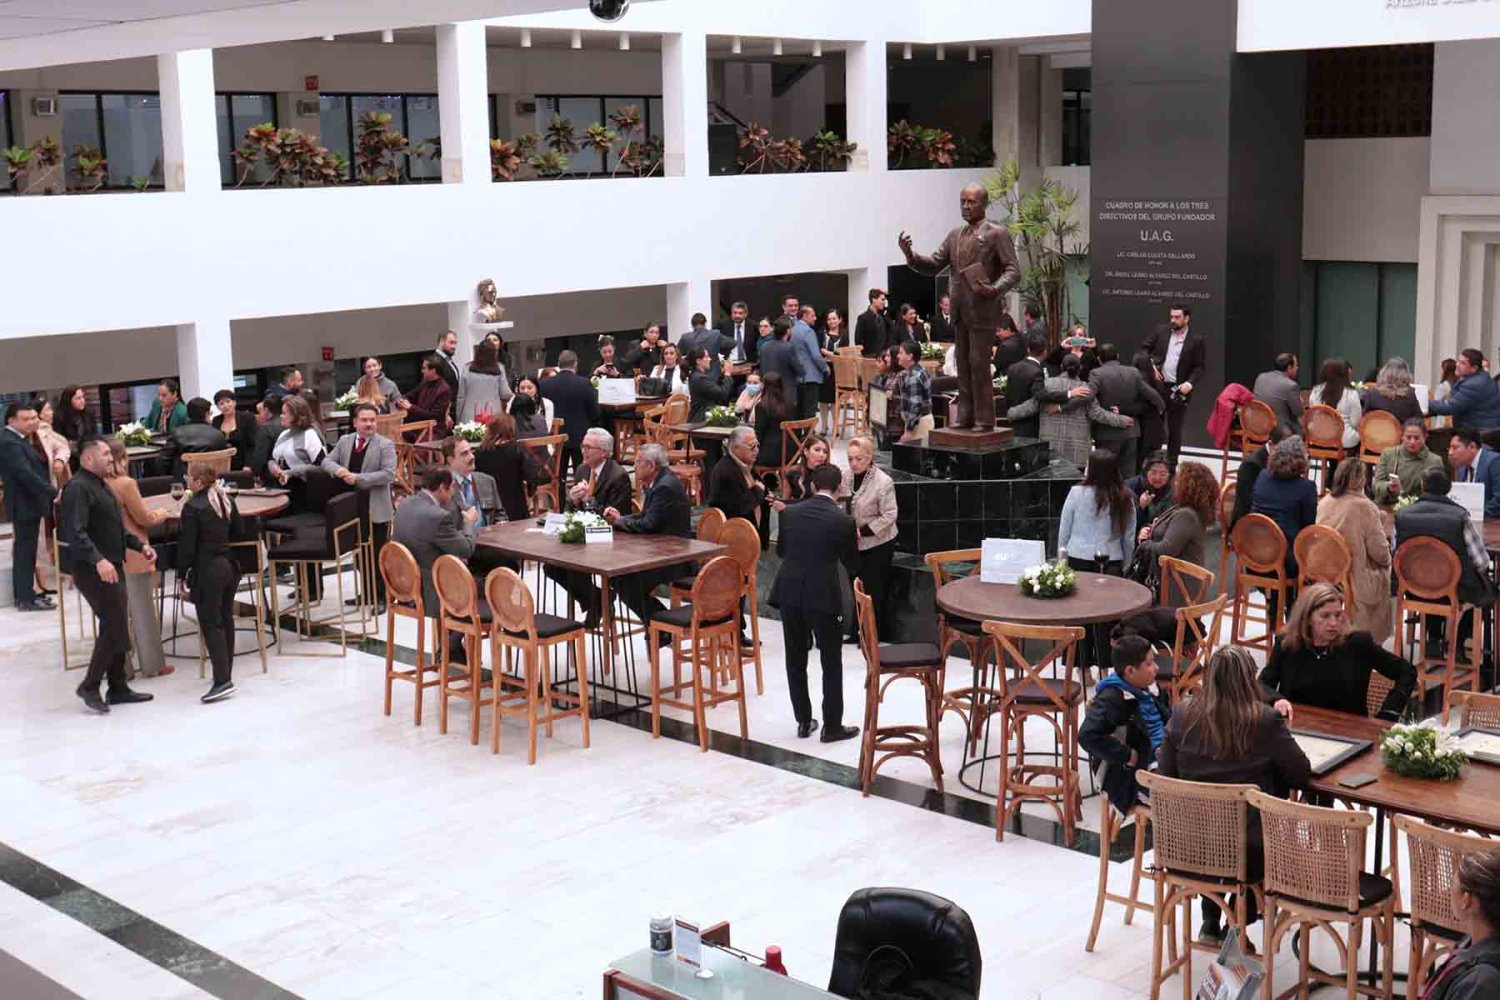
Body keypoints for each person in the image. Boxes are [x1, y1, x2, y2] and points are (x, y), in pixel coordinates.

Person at [1158, 646, 1311, 943]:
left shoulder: (1182, 714)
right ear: (1249, 680)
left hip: (1186, 845)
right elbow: (1300, 772)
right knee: (1267, 846)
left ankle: (1211, 920)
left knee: (1215, 829)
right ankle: (1237, 925)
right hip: (1249, 850)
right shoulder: (1264, 720)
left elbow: (1166, 774)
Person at [900, 183, 1022, 432]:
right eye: (962, 202)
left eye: (971, 202)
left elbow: (1013, 270)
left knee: (978, 364)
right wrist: (910, 255)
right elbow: (934, 263)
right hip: (960, 310)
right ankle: (965, 415)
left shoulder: (996, 234)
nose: (965, 206)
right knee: (963, 365)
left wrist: (995, 289)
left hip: (983, 309)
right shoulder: (955, 235)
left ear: (984, 204)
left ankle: (984, 419)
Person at [60, 436, 158, 714]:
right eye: (104, 454)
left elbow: (114, 527)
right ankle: (90, 685)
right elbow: (75, 532)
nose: (110, 458)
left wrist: (140, 546)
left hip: (113, 564)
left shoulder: (102, 484)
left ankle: (118, 687)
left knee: (116, 624)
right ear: (88, 459)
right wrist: (99, 560)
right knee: (114, 624)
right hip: (94, 569)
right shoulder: (77, 488)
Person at [771, 462, 859, 743]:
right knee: (831, 661)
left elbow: (781, 551)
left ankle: (803, 720)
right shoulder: (844, 521)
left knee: (795, 658)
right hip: (824, 595)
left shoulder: (790, 513)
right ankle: (832, 726)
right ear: (840, 488)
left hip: (790, 591)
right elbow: (851, 562)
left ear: (811, 486)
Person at [1259, 583, 1414, 720]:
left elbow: (1407, 672)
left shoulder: (1357, 644)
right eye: (1325, 616)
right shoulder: (1287, 644)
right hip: (1297, 728)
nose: (1333, 623)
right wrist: (1276, 699)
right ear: (1307, 618)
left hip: (1348, 732)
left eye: (1338, 615)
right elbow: (1262, 684)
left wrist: (1387, 715)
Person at [1395, 467, 1497, 658]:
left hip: (1414, 588)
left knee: (1431, 578)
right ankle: (1457, 644)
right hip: (1453, 591)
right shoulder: (1460, 517)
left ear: (1422, 486)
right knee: (1476, 586)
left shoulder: (1402, 515)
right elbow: (1481, 562)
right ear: (1449, 488)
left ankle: (1433, 639)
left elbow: (1397, 554)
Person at [601, 443, 693, 636]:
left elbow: (649, 524)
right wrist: (622, 518)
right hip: (659, 550)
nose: (634, 466)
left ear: (651, 466)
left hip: (674, 556)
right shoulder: (660, 481)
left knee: (626, 581)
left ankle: (661, 627)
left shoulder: (664, 486)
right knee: (621, 578)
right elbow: (647, 516)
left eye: (638, 461)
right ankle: (658, 626)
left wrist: (619, 523)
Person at [1058, 449, 1137, 671]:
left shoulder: (1076, 493)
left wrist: (1061, 561)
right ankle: (1105, 667)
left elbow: (1064, 530)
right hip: (1111, 561)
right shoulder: (1125, 496)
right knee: (1107, 618)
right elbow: (1129, 536)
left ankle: (1081, 667)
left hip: (1078, 558)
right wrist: (1126, 564)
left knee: (1079, 614)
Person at [175, 462, 244, 703]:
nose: (186, 480)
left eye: (188, 477)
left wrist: (181, 574)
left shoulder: (193, 507)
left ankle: (222, 681)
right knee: (225, 618)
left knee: (211, 623)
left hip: (208, 570)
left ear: (197, 482)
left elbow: (187, 546)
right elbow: (239, 530)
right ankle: (225, 671)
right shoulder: (225, 500)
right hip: (229, 566)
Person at [1079, 635, 1171, 814]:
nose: (1157, 668)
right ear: (1130, 670)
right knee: (1188, 800)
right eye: (1149, 664)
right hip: (1135, 777)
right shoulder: (1112, 699)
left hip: (1163, 757)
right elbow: (1087, 735)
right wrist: (1127, 755)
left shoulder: (1146, 686)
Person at [104, 438, 172, 679]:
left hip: (107, 553)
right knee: (142, 610)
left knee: (117, 613)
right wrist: (162, 513)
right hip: (133, 552)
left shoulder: (95, 484)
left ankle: (122, 668)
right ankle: (153, 664)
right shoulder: (125, 484)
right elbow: (144, 517)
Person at [322, 403, 397, 611]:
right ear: (355, 422)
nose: (369, 424)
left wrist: (358, 478)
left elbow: (388, 474)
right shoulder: (345, 441)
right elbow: (326, 461)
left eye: (372, 420)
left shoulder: (385, 445)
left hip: (376, 508)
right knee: (359, 553)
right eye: (364, 420)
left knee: (377, 554)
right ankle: (366, 593)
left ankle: (381, 597)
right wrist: (338, 471)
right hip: (352, 507)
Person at [390, 468, 475, 652]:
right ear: (442, 487)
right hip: (429, 591)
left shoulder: (405, 504)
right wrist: (468, 521)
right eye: (451, 488)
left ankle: (451, 645)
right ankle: (452, 645)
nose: (453, 492)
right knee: (482, 585)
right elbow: (466, 549)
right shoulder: (437, 516)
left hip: (403, 586)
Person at [1009, 352, 1135, 470]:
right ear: (1080, 369)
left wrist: (1010, 413)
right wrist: (1122, 420)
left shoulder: (1048, 385)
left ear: (1061, 367)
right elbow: (1098, 414)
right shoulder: (1084, 389)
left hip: (1051, 449)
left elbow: (1030, 406)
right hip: (1077, 451)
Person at [1316, 459, 1394, 643]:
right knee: (1387, 570)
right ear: (1362, 480)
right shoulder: (1365, 507)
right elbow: (1381, 554)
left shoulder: (1324, 501)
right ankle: (1370, 641)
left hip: (1323, 570)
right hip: (1352, 576)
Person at [0, 401, 57, 612]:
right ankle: (25, 598)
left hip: (29, 503)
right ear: (11, 421)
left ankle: (26, 595)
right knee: (25, 552)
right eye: (26, 419)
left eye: (33, 418)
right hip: (23, 503)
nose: (31, 422)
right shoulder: (9, 442)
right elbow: (25, 474)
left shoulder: (19, 439)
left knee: (27, 551)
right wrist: (53, 492)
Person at [1421, 848, 1500, 999]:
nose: (1448, 892)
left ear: (1466, 900)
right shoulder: (1474, 940)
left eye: (1452, 885)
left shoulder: (1481, 983)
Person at [842, 435, 898, 643]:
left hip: (878, 543)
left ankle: (872, 634)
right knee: (855, 586)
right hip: (853, 543)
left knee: (873, 589)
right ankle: (855, 630)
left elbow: (890, 515)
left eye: (859, 459)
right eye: (850, 459)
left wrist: (864, 531)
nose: (854, 464)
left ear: (869, 457)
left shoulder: (883, 482)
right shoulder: (845, 476)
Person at [1082, 343, 1163, 476]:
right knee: (1128, 475)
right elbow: (1153, 395)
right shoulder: (1133, 372)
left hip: (1106, 433)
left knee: (1106, 475)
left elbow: (1087, 396)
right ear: (1118, 356)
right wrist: (1161, 408)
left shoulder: (1096, 374)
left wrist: (1064, 403)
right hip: (1131, 432)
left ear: (1099, 359)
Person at [1142, 304, 1206, 466]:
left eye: (1177, 317)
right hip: (1159, 386)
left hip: (1179, 389)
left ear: (1186, 318)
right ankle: (1151, 462)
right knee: (1154, 427)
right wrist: (1150, 365)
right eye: (1171, 317)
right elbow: (1143, 350)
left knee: (1175, 429)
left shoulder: (1196, 339)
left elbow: (1199, 367)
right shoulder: (1161, 331)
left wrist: (1190, 383)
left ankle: (1171, 464)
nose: (1173, 320)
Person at [1134, 460, 1218, 577]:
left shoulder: (1186, 515)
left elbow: (1165, 550)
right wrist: (1150, 529)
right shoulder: (1183, 507)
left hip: (1175, 581)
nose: (1174, 483)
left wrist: (1144, 544)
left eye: (1178, 481)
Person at [1251, 435, 1318, 578]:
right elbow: (1308, 528)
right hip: (1286, 561)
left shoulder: (1262, 477)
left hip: (1253, 554)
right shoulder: (1306, 488)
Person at [475, 412, 550, 523]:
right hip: (515, 509)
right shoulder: (517, 450)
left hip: (489, 509)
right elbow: (533, 476)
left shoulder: (479, 453)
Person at [540, 350, 600, 476]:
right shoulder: (584, 383)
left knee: (558, 475)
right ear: (575, 364)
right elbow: (595, 413)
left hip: (555, 437)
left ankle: (560, 489)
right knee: (582, 474)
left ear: (558, 364)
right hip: (580, 437)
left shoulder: (544, 385)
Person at [1230, 423, 1293, 527]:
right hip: (1249, 524)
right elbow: (1247, 503)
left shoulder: (1285, 460)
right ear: (1271, 444)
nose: (1288, 456)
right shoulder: (1251, 465)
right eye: (1283, 451)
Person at [1373, 418, 1444, 506]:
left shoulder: (1435, 461)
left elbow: (1436, 493)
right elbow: (1376, 485)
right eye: (1408, 437)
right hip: (1388, 505)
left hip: (1419, 508)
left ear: (1425, 437)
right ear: (1402, 436)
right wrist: (1388, 487)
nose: (1412, 442)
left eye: (1417, 438)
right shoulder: (1388, 455)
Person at [1429, 348, 1500, 431]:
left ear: (1474, 368)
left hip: (1479, 432)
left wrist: (1424, 403)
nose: (1457, 365)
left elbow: (1451, 407)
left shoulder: (1474, 384)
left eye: (1462, 363)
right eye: (1458, 361)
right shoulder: (1480, 377)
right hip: (1482, 429)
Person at [708, 425, 765, 525]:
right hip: (734, 528)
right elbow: (741, 506)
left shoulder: (745, 463)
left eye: (757, 445)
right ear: (736, 447)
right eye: (752, 446)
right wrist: (758, 490)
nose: (756, 450)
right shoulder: (725, 472)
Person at [164, 396, 229, 478]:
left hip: (185, 480)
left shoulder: (177, 433)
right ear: (206, 414)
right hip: (213, 479)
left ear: (188, 414)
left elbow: (164, 460)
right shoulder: (218, 434)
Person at [266, 394, 327, 482]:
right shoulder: (283, 434)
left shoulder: (310, 435)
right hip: (280, 486)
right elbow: (272, 459)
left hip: (303, 486)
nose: (280, 416)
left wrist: (291, 473)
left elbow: (321, 466)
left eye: (284, 413)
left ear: (295, 415)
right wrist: (273, 467)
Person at [455, 338, 513, 424]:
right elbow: (505, 393)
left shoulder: (467, 368)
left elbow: (461, 397)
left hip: (470, 415)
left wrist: (458, 418)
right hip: (493, 415)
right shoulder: (499, 368)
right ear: (494, 353)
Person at [1004, 332, 1049, 440]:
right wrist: (1068, 394)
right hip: (1030, 423)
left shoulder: (1013, 367)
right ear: (1044, 352)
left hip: (1013, 418)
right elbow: (1039, 396)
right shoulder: (1037, 372)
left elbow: (1008, 393)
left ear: (1028, 349)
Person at [1309, 357, 1362, 449]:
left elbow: (1312, 415)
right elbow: (1355, 423)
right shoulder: (1351, 394)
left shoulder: (1315, 391)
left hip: (1318, 437)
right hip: (1343, 441)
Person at [1447, 426, 1500, 517]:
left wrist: (1473, 515)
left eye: (1455, 448)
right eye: (1449, 448)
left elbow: (1498, 501)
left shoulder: (1495, 462)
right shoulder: (1461, 468)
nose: (1450, 453)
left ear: (1472, 447)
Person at [789, 304, 830, 419]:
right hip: (810, 376)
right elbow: (816, 355)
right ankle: (808, 431)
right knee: (810, 411)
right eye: (813, 315)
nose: (815, 318)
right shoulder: (808, 331)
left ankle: (798, 430)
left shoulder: (792, 330)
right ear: (804, 316)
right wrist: (825, 367)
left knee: (799, 412)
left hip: (796, 376)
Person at [890, 340, 935, 443]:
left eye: (901, 353)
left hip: (919, 424)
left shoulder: (913, 376)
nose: (898, 356)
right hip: (923, 421)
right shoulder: (920, 370)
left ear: (910, 356)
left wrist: (909, 430)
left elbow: (915, 405)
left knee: (916, 452)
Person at [1361, 357, 1423, 424]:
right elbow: (1419, 420)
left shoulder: (1372, 393)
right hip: (1400, 430)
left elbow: (1364, 419)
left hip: (1375, 430)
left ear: (1384, 373)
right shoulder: (1409, 395)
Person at [1252, 353, 1303, 431]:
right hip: (1281, 431)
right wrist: (1300, 402)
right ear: (1289, 367)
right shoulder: (1291, 386)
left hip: (1258, 427)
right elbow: (1298, 412)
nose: (1297, 368)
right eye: (1296, 366)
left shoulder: (1260, 377)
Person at [1131, 351, 1168, 458]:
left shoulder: (1133, 379)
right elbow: (1161, 405)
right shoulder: (1157, 380)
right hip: (1154, 429)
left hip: (1138, 429)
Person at [758, 316, 802, 404]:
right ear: (788, 331)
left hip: (768, 390)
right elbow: (799, 369)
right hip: (785, 390)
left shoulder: (764, 346)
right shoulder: (789, 347)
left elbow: (761, 368)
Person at [404, 353, 454, 429]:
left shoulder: (444, 390)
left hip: (433, 429)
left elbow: (433, 415)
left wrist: (410, 407)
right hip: (419, 425)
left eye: (424, 368)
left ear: (433, 371)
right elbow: (410, 395)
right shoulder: (425, 382)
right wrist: (402, 401)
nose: (422, 371)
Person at [1126, 452, 1174, 532]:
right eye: (1153, 473)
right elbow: (1124, 522)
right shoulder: (1130, 488)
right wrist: (1140, 507)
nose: (1157, 478)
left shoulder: (1173, 490)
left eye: (1163, 474)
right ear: (1146, 472)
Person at [778, 433, 831, 505]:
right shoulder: (792, 473)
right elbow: (785, 502)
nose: (821, 455)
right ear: (806, 451)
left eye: (825, 452)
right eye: (817, 450)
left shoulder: (830, 474)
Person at [687, 346, 734, 423]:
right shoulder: (700, 379)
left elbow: (714, 388)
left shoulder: (696, 376)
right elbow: (722, 394)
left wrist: (723, 376)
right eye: (707, 357)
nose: (710, 359)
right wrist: (728, 374)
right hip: (702, 419)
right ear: (698, 361)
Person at [210, 390, 253, 472]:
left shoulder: (247, 418)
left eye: (228, 401)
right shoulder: (216, 421)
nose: (226, 406)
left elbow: (253, 444)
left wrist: (248, 465)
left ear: (234, 402)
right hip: (222, 464)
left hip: (244, 464)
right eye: (221, 403)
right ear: (217, 407)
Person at [53, 384, 97, 465]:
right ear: (69, 400)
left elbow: (94, 434)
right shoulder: (59, 416)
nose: (82, 401)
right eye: (78, 398)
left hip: (89, 452)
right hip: (70, 457)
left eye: (82, 397)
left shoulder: (89, 412)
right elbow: (58, 440)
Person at [33, 397, 71, 488]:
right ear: (39, 415)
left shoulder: (49, 431)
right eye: (48, 409)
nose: (52, 412)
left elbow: (62, 447)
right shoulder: (40, 433)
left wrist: (60, 459)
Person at [245, 393, 284, 480]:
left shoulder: (266, 428)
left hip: (271, 475)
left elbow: (260, 457)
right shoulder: (290, 423)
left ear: (266, 410)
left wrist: (255, 474)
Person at [717, 301, 757, 367]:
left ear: (746, 314)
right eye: (735, 313)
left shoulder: (753, 326)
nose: (737, 316)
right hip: (728, 364)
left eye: (740, 313)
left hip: (748, 364)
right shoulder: (722, 325)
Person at [856, 287, 891, 359]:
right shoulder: (863, 318)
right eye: (882, 300)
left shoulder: (883, 316)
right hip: (869, 356)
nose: (884, 302)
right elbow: (858, 340)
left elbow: (891, 331)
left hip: (884, 356)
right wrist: (865, 354)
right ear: (873, 299)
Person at [433, 330, 462, 400]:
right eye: (451, 342)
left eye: (455, 343)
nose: (454, 346)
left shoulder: (448, 360)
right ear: (441, 342)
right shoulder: (435, 361)